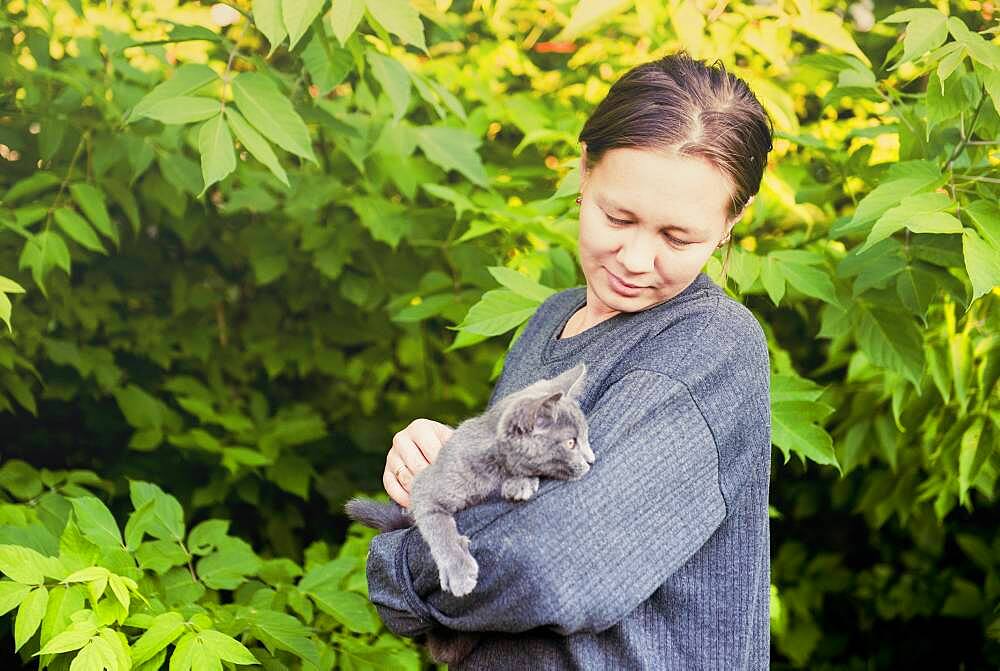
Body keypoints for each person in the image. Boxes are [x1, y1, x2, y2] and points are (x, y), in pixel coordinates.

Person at [366, 51, 774, 669]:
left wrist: (397, 564)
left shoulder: (710, 349)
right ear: (585, 171)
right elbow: (519, 507)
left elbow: (551, 563)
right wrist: (446, 464)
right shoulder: (547, 324)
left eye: (676, 237)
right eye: (620, 216)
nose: (636, 258)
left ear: (729, 224)